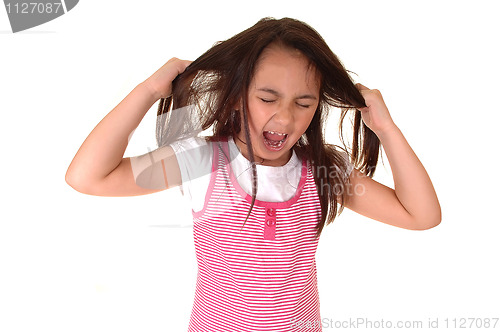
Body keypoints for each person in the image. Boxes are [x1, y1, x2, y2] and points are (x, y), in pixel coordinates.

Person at [66, 17, 441, 332]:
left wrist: (387, 129)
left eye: (304, 102)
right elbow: (88, 177)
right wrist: (149, 90)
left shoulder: (323, 170)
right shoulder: (202, 161)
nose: (285, 117)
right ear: (235, 96)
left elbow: (421, 215)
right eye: (267, 98)